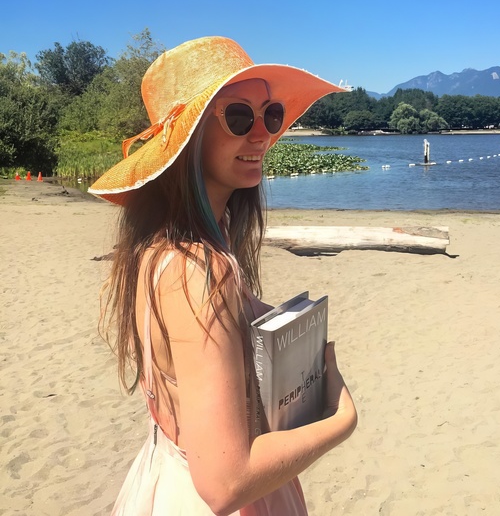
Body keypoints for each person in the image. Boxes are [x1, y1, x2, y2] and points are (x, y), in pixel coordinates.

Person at [89, 36, 357, 515]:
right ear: (189, 137)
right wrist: (340, 420)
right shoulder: (198, 270)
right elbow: (225, 481)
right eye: (238, 117)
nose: (263, 135)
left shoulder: (168, 245)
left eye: (271, 114)